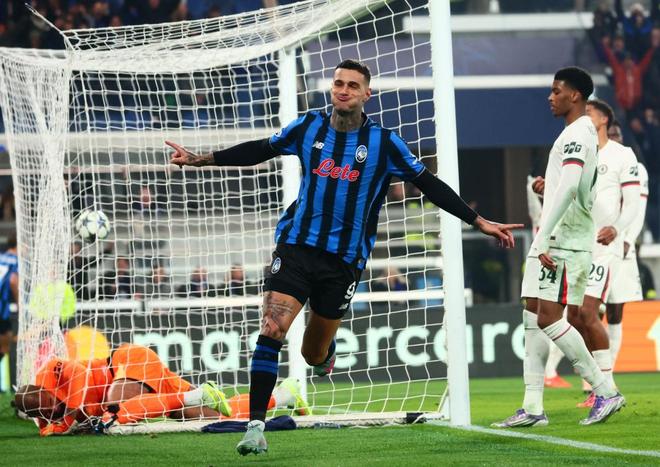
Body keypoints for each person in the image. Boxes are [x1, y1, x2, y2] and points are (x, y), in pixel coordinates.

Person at [166, 59, 523, 455]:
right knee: (271, 328)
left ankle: (326, 353)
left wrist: (477, 221)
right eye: (339, 83)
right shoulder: (308, 127)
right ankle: (255, 426)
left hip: (343, 262)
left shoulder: (385, 144)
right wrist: (202, 159)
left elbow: (429, 184)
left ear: (367, 94)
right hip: (296, 248)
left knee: (313, 353)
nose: (344, 89)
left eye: (353, 85)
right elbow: (260, 150)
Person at [493, 67, 624, 429]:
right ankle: (532, 406)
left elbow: (569, 189)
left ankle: (605, 390)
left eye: (556, 91)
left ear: (575, 95)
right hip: (555, 238)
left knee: (550, 318)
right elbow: (564, 186)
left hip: (562, 241)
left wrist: (543, 238)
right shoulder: (573, 133)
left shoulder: (578, 132)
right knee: (532, 314)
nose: (550, 97)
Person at [14, 342, 309, 436]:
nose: (53, 409)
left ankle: (195, 394)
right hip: (145, 387)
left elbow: (79, 376)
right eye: (45, 412)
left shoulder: (52, 370)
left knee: (114, 410)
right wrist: (62, 422)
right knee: (210, 414)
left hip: (126, 363)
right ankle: (283, 395)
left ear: (44, 389)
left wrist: (71, 414)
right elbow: (52, 429)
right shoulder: (47, 417)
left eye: (50, 401)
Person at [604, 121, 648, 371]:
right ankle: (593, 374)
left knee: (615, 311)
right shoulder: (593, 164)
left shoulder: (636, 169)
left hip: (621, 245)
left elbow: (637, 210)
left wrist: (628, 240)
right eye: (610, 134)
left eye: (617, 134)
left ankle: (607, 373)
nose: (615, 138)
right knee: (588, 311)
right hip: (595, 246)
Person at [0, 231, 18, 385]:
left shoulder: (1, 257)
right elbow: (13, 281)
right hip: (2, 308)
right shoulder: (16, 260)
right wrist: (20, 304)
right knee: (6, 344)